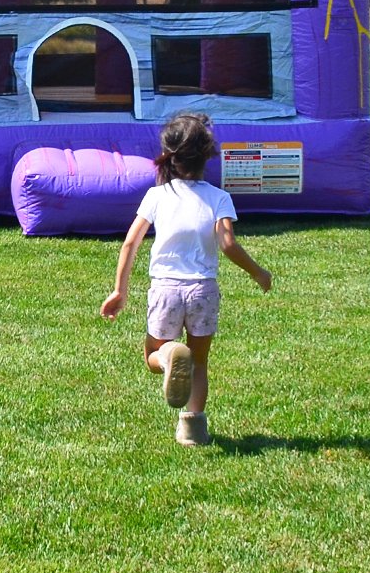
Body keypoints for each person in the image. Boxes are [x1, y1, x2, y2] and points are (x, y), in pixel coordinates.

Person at [101, 112, 274, 445]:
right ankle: (192, 429)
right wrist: (258, 273)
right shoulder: (218, 198)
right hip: (203, 291)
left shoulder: (157, 196)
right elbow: (228, 244)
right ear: (208, 156)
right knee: (199, 361)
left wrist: (119, 290)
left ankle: (167, 358)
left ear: (170, 155)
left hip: (166, 289)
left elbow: (130, 242)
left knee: (153, 355)